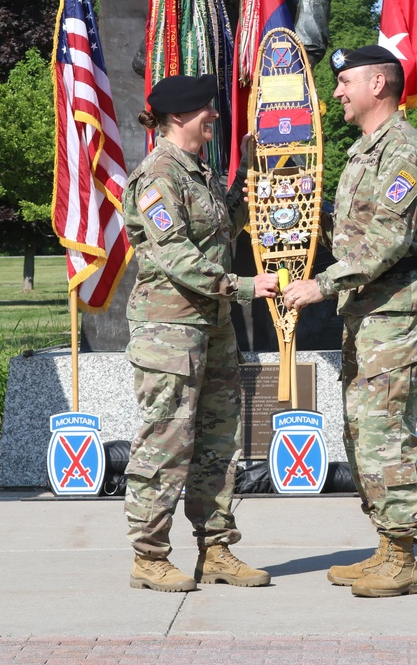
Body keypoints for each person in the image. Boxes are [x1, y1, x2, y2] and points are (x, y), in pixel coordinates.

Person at [282, 45, 417, 598]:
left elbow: (388, 241)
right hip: (368, 311)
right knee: (362, 431)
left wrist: (321, 284)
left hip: (397, 310)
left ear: (379, 83)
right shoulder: (363, 153)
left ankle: (401, 559)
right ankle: (385, 546)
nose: (337, 92)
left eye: (345, 81)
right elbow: (353, 236)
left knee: (385, 431)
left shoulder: (404, 151)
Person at [122, 74, 280, 593]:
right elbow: (178, 259)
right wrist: (246, 286)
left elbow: (222, 229)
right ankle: (149, 556)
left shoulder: (200, 174)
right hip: (169, 332)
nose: (214, 115)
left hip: (211, 329)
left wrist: (248, 178)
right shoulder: (158, 177)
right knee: (166, 441)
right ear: (177, 116)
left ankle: (216, 550)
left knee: (217, 443)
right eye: (206, 109)